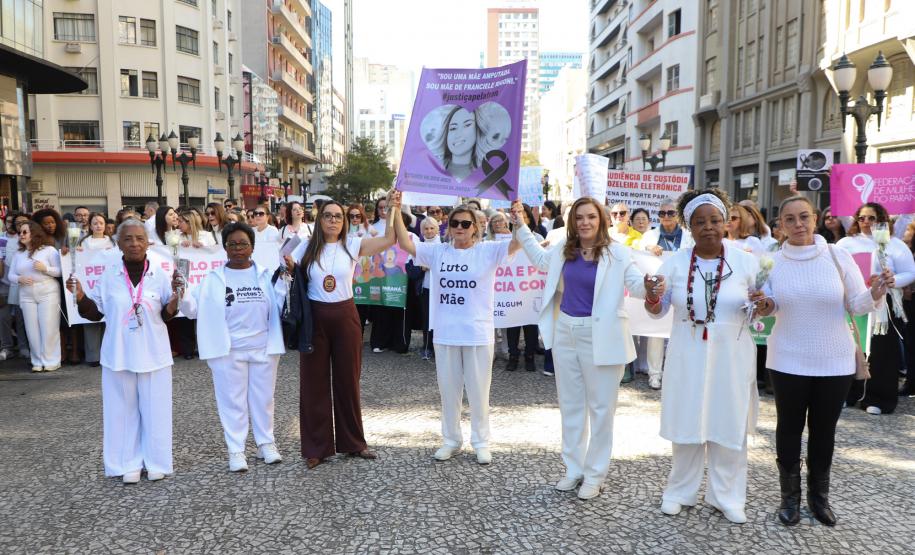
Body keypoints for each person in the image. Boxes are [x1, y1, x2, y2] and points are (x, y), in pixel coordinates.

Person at [756, 195, 889, 526]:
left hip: (834, 360)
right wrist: (762, 304)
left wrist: (876, 292)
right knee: (788, 428)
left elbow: (857, 304)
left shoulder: (836, 255)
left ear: (815, 219)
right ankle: (789, 498)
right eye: (790, 219)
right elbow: (769, 304)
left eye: (804, 217)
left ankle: (819, 497)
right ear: (780, 225)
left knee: (823, 431)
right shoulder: (771, 260)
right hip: (787, 358)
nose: (798, 224)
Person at [512, 196, 652, 500]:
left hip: (602, 335)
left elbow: (638, 286)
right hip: (565, 331)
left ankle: (595, 474)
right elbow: (538, 258)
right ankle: (573, 469)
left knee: (601, 410)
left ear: (601, 219)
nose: (584, 222)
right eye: (579, 218)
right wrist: (521, 224)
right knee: (571, 405)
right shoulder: (565, 249)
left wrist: (653, 286)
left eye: (590, 217)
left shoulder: (617, 252)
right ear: (572, 222)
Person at [646, 189, 759, 524]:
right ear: (689, 226)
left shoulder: (747, 262)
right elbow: (657, 310)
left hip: (732, 354)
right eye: (700, 222)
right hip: (687, 352)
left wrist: (764, 306)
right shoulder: (676, 263)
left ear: (725, 223)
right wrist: (652, 298)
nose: (708, 227)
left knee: (729, 423)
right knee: (687, 422)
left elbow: (763, 306)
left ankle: (728, 496)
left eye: (715, 220)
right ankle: (679, 491)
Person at [393, 199, 522, 466]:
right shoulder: (438, 251)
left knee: (478, 392)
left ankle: (481, 442)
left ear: (475, 227)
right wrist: (395, 210)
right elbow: (406, 243)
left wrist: (518, 217)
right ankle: (451, 440)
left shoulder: (488, 250)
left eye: (465, 223)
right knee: (448, 392)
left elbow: (517, 243)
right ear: (448, 227)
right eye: (454, 223)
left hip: (477, 332)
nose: (460, 227)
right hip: (446, 332)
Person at [285, 194, 399, 469]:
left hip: (345, 315)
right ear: (320, 219)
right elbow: (288, 267)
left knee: (348, 381)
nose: (333, 220)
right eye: (328, 215)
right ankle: (316, 447)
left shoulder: (352, 244)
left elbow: (389, 240)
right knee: (314, 382)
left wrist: (393, 209)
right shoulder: (306, 247)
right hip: (315, 318)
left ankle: (353, 443)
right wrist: (287, 266)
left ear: (344, 221)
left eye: (338, 216)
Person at [67, 219, 181, 483]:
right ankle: (127, 462)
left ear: (148, 242)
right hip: (119, 353)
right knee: (122, 411)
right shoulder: (109, 274)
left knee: (156, 409)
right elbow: (96, 313)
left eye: (140, 238)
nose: (134, 243)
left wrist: (175, 299)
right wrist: (81, 296)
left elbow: (167, 314)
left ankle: (156, 461)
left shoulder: (160, 274)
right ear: (118, 243)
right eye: (128, 239)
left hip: (154, 353)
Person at [179, 222, 286, 472]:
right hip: (229, 350)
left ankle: (265, 444)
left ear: (252, 247)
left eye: (243, 244)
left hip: (264, 347)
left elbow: (281, 304)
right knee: (232, 401)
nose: (238, 249)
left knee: (264, 399)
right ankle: (236, 449)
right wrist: (181, 291)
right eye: (233, 244)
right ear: (225, 248)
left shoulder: (266, 275)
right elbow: (191, 309)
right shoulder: (212, 279)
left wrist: (286, 279)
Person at [836, 203, 915, 414]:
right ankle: (846, 394)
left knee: (881, 352)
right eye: (862, 218)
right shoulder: (846, 243)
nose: (866, 223)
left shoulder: (895, 244)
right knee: (850, 347)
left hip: (883, 306)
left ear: (882, 221)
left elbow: (910, 271)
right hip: (852, 302)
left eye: (872, 218)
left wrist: (892, 280)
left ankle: (877, 398)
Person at [637, 201, 695, 390]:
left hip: (683, 286)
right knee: (656, 331)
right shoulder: (650, 236)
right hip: (660, 287)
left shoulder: (689, 236)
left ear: (677, 215)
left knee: (682, 331)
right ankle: (655, 374)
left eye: (670, 213)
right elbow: (638, 252)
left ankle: (679, 373)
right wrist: (648, 248)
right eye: (662, 213)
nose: (666, 216)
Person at [9, 221, 62, 372]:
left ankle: (52, 360)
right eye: (20, 232)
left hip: (47, 290)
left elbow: (59, 271)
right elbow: (11, 274)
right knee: (31, 329)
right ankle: (37, 361)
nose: (21, 235)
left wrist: (45, 268)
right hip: (26, 293)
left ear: (34, 233)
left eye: (25, 232)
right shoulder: (18, 254)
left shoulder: (48, 250)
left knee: (48, 326)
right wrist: (19, 279)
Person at [505, 203, 544, 373]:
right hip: (512, 290)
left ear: (528, 218)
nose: (519, 218)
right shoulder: (507, 240)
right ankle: (513, 355)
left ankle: (529, 355)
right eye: (516, 214)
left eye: (523, 215)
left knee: (530, 325)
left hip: (531, 289)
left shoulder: (539, 239)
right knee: (512, 325)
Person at [75, 212, 116, 367]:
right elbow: (77, 260)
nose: (98, 225)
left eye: (101, 223)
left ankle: (109, 354)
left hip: (109, 284)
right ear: (90, 226)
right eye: (95, 223)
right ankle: (93, 356)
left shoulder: (113, 242)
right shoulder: (84, 242)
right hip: (90, 284)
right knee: (91, 320)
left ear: (105, 225)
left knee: (109, 320)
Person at [429, 106, 478, 181]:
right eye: (453, 128)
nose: (458, 134)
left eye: (467, 125)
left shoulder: (486, 170)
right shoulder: (433, 167)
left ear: (477, 130)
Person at [416, 217, 441, 361]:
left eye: (432, 228)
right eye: (426, 228)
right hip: (425, 288)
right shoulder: (418, 246)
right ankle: (427, 347)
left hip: (442, 289)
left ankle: (440, 348)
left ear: (437, 229)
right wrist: (422, 268)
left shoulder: (445, 245)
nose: (429, 231)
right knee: (427, 319)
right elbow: (411, 268)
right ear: (422, 231)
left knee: (441, 319)